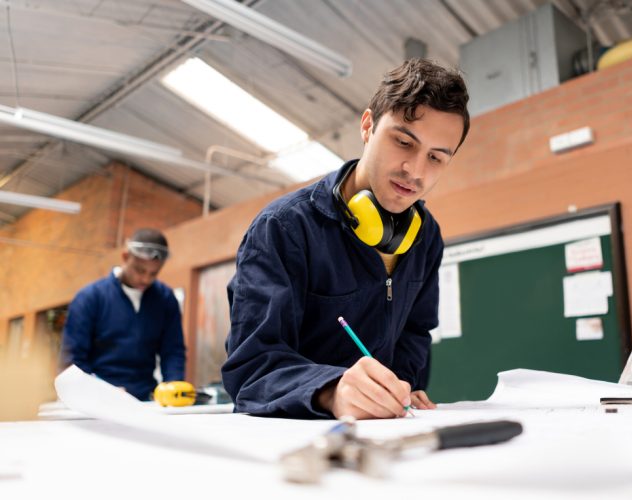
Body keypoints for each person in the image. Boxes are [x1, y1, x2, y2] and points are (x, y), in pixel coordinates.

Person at [223, 58, 470, 419]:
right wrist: (330, 391)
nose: (415, 171)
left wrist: (399, 386)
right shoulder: (285, 227)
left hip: (383, 431)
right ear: (368, 126)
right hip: (293, 435)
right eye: (403, 141)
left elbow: (415, 331)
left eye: (436, 158)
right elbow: (251, 368)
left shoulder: (426, 235)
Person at [60, 228, 186, 401]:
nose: (146, 279)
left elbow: (173, 351)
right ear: (125, 256)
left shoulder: (165, 300)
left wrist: (173, 390)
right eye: (140, 270)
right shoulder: (90, 298)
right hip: (97, 397)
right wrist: (95, 392)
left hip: (144, 398)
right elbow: (73, 359)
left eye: (153, 273)